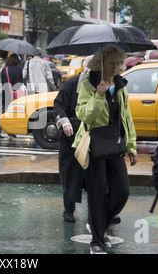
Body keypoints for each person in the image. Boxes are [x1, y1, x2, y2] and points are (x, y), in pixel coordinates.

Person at [72, 44, 138, 254]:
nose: (117, 67)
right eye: (112, 63)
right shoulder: (88, 84)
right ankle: (97, 241)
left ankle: (98, 222)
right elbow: (84, 117)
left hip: (115, 144)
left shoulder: (120, 84)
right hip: (94, 145)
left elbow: (126, 117)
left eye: (119, 63)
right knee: (97, 192)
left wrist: (131, 146)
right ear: (100, 64)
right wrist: (98, 96)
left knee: (122, 192)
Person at [54, 56, 91, 222]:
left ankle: (100, 211)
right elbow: (58, 106)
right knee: (70, 173)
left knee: (94, 177)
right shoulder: (71, 83)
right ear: (83, 67)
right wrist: (64, 121)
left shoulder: (102, 86)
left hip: (92, 137)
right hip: (70, 136)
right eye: (88, 67)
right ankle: (68, 209)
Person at [0, 53, 23, 139]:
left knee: (7, 113)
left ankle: (9, 132)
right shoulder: (19, 70)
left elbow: (2, 82)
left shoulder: (4, 70)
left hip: (6, 93)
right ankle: (13, 130)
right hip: (17, 94)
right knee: (15, 113)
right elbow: (21, 82)